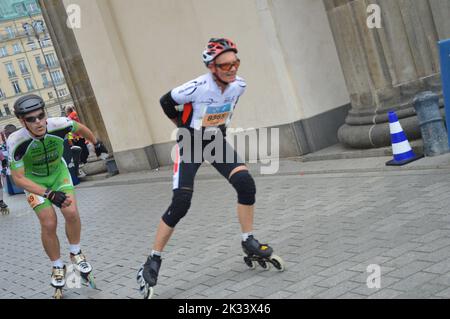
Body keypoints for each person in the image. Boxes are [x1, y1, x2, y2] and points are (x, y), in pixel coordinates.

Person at [137, 38, 284, 298]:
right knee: (181, 202)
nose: (232, 68)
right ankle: (153, 259)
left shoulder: (240, 85)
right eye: (225, 64)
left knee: (245, 183)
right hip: (191, 143)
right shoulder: (196, 87)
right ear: (212, 66)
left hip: (215, 141)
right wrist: (181, 125)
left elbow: (226, 110)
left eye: (235, 62)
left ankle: (248, 240)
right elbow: (165, 101)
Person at [7, 94, 108, 298]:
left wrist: (96, 143)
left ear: (45, 113)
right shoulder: (16, 141)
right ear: (22, 121)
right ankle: (57, 266)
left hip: (58, 174)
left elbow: (80, 128)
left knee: (70, 212)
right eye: (31, 119)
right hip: (34, 182)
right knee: (48, 222)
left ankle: (76, 252)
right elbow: (18, 178)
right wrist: (49, 194)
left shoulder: (59, 124)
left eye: (40, 116)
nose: (38, 122)